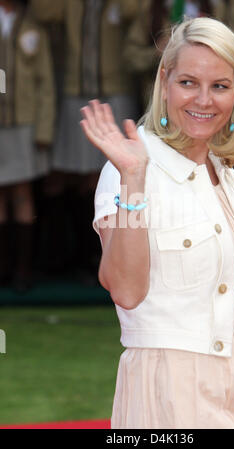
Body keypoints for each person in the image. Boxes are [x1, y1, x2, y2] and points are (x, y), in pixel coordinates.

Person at [80, 17, 234, 429]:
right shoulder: (129, 165)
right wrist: (133, 177)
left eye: (220, 85)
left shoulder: (224, 171)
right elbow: (126, 291)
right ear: (164, 81)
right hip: (168, 389)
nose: (203, 99)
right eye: (188, 83)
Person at [29, 0, 139, 281]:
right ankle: (70, 257)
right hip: (74, 91)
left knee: (103, 175)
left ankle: (97, 258)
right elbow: (42, 11)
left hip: (116, 91)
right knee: (65, 175)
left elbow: (136, 12)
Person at [0, 0, 55, 291]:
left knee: (22, 193)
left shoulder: (32, 25)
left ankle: (23, 270)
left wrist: (44, 128)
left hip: (24, 122)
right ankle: (3, 267)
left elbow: (45, 82)